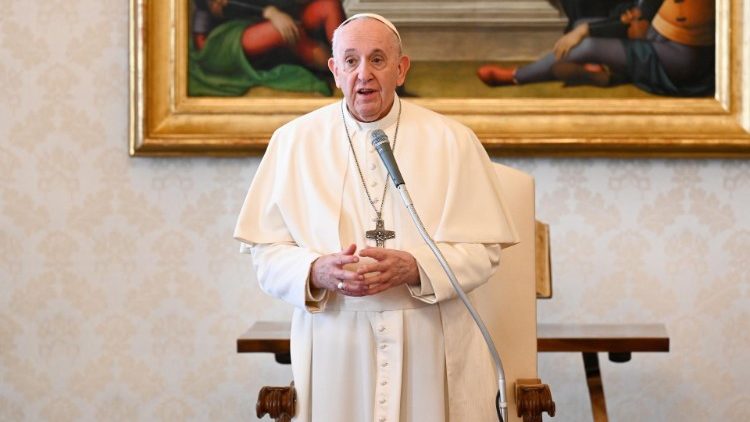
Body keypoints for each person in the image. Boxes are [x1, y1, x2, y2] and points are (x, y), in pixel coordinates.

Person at [234, 13, 518, 421]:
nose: (363, 74)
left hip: (431, 341)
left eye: (378, 59)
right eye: (350, 61)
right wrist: (315, 270)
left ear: (401, 69)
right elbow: (266, 252)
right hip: (335, 344)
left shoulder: (453, 141)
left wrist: (415, 266)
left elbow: (485, 251)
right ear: (334, 71)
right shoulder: (293, 142)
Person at [477, 0, 715, 97]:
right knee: (583, 25)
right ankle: (606, 72)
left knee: (587, 41)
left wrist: (585, 32)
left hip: (680, 61)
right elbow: (633, 19)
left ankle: (517, 76)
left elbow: (635, 25)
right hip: (659, 41)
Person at [188, 0, 345, 96]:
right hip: (219, 40)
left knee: (328, 5)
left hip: (274, 16)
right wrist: (269, 12)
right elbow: (222, 6)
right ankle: (342, 74)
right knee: (288, 32)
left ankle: (346, 65)